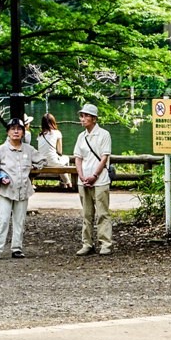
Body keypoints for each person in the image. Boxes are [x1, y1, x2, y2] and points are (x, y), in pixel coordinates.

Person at [0, 120, 43, 259]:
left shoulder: (29, 150)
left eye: (19, 129)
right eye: (13, 129)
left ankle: (17, 248)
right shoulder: (1, 150)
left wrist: (35, 168)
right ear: (8, 132)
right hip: (6, 190)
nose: (16, 131)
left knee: (20, 220)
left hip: (23, 189)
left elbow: (42, 160)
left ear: (23, 132)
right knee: (2, 219)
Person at [73, 102, 114, 256]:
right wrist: (82, 176)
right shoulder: (81, 136)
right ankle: (87, 243)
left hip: (100, 179)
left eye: (86, 116)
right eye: (82, 116)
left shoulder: (104, 134)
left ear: (94, 119)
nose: (82, 119)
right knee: (86, 213)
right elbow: (78, 157)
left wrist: (94, 175)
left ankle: (105, 243)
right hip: (83, 180)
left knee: (103, 213)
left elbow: (104, 157)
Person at [37, 112, 70, 189]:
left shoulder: (40, 135)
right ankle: (66, 182)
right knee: (66, 159)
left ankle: (65, 182)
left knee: (59, 163)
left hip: (42, 163)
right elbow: (60, 151)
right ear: (53, 122)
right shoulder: (57, 133)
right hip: (52, 162)